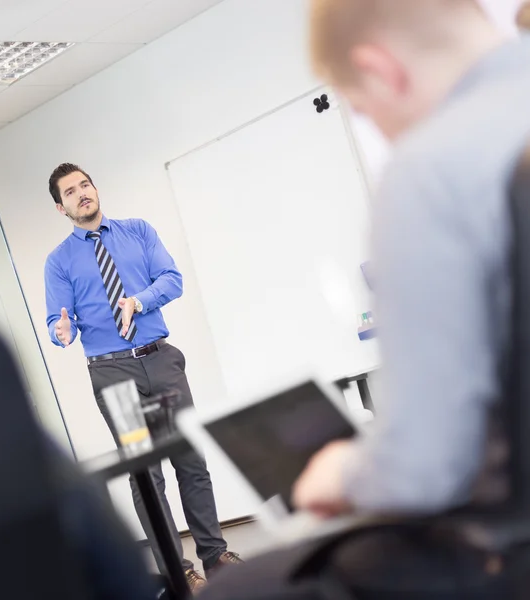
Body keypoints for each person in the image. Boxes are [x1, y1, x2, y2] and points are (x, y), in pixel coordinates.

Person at [199, 0, 530, 597]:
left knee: (238, 589)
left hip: (509, 551)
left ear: (379, 70)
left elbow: (427, 470)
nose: (380, 128)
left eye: (363, 109)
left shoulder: (430, 171)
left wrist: (344, 471)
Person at [44, 163, 242, 592]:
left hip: (161, 360)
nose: (82, 194)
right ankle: (179, 570)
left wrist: (139, 301)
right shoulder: (59, 261)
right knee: (146, 474)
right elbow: (59, 322)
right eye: (71, 192)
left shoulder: (137, 231)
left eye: (85, 184)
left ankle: (216, 555)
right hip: (112, 372)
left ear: (94, 188)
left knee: (190, 460)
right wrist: (61, 331)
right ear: (61, 207)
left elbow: (171, 279)